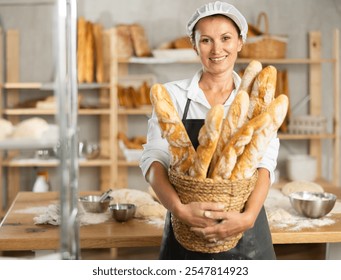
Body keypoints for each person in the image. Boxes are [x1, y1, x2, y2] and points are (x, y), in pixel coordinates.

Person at [139, 1, 279, 260]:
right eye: (206, 40)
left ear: (240, 42)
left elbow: (265, 163)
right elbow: (153, 159)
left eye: (226, 38)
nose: (217, 49)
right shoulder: (173, 95)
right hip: (185, 231)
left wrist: (247, 218)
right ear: (194, 46)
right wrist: (179, 209)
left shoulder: (257, 99)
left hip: (247, 235)